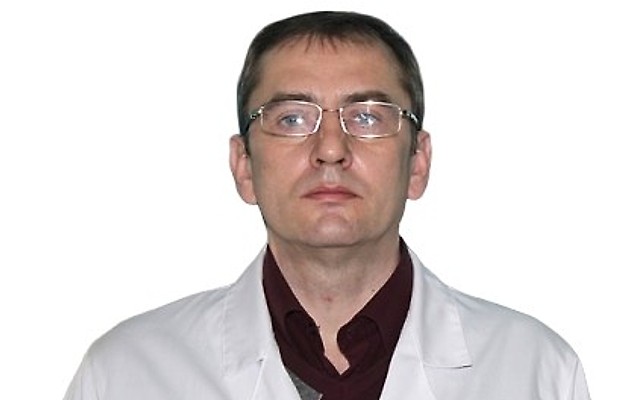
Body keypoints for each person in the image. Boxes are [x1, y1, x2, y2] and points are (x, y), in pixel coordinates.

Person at [63, 10, 590, 400]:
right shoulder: (125, 374)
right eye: (292, 118)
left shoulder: (536, 371)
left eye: (368, 116)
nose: (331, 149)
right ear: (244, 165)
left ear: (417, 162)